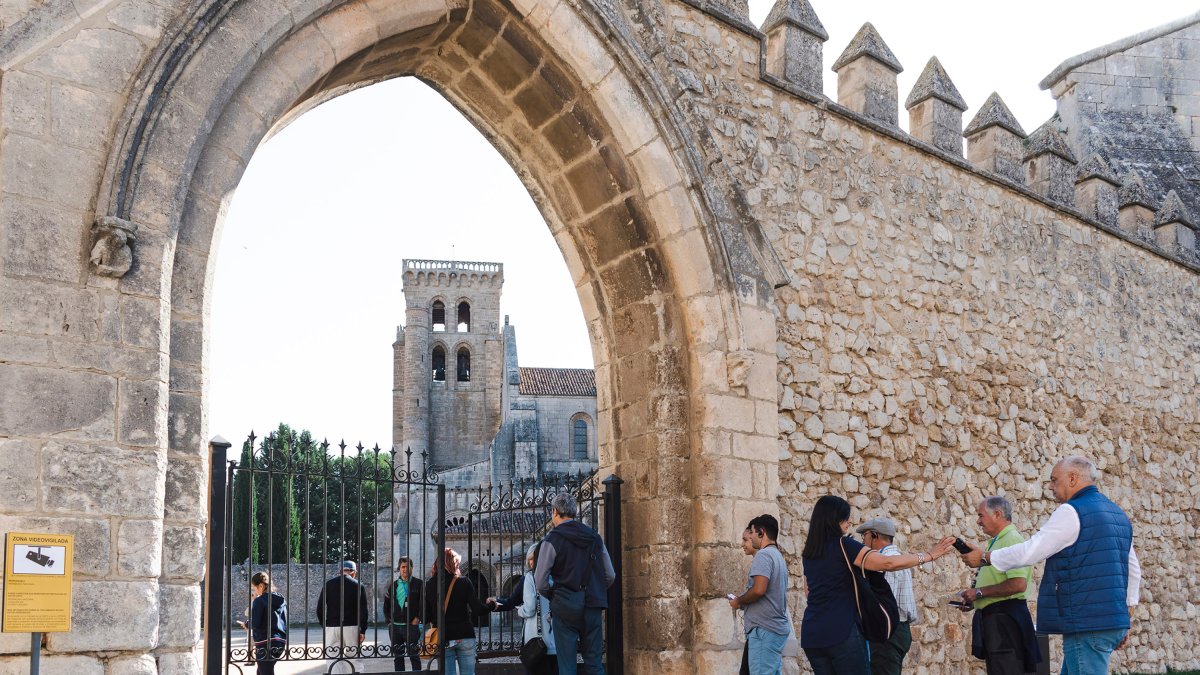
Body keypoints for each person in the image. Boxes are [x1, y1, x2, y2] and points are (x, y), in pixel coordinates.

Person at [962, 456, 1141, 675]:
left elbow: (1030, 551)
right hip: (1108, 621)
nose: (1050, 486)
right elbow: (1133, 570)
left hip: (1087, 622)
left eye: (1054, 480)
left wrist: (984, 558)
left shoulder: (1072, 511)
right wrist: (1125, 617)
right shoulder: (1118, 514)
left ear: (1073, 478)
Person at [800, 496, 956, 675]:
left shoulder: (810, 552)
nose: (849, 522)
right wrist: (928, 555)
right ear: (834, 518)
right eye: (846, 517)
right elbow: (887, 563)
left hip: (812, 634)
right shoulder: (844, 545)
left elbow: (808, 591)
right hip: (841, 632)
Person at [953, 496, 1039, 675]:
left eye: (981, 515)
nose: (978, 521)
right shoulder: (997, 541)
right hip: (998, 620)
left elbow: (1018, 584)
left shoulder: (1011, 540)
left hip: (1004, 621)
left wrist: (979, 592)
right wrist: (975, 599)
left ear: (998, 514)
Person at [535, 492, 616, 675]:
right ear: (574, 512)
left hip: (564, 605)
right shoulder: (595, 537)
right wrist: (596, 589)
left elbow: (540, 581)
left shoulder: (551, 540)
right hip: (593, 604)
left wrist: (553, 594)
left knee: (567, 667)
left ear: (555, 512)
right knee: (595, 664)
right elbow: (610, 575)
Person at [854, 517, 916, 675]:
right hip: (900, 630)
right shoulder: (899, 558)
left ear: (874, 535)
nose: (863, 540)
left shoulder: (886, 563)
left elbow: (884, 606)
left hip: (888, 632)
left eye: (865, 535)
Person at [728, 515, 789, 675]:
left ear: (761, 533)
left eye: (753, 533)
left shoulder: (764, 555)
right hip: (772, 629)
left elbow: (759, 590)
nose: (751, 537)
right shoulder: (777, 555)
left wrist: (739, 602)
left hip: (764, 629)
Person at [490, 542, 558, 675]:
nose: (532, 563)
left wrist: (520, 610)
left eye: (535, 559)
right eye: (530, 559)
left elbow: (529, 608)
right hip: (556, 639)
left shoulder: (529, 578)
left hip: (537, 640)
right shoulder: (555, 578)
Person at [424, 547, 493, 675]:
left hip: (444, 637)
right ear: (454, 563)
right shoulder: (464, 582)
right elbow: (477, 609)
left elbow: (425, 616)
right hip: (465, 635)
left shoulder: (430, 584)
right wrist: (492, 606)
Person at [316, 560, 369, 670]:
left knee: (333, 659)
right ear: (354, 572)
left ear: (341, 571)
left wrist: (325, 625)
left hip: (332, 627)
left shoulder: (329, 584)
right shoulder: (358, 585)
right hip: (351, 626)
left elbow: (319, 608)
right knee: (354, 659)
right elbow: (363, 610)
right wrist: (362, 630)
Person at [384, 556, 425, 672]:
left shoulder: (419, 584)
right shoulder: (394, 585)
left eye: (407, 566)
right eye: (402, 567)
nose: (405, 569)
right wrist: (389, 621)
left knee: (414, 657)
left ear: (412, 568)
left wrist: (418, 618)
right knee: (398, 658)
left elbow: (424, 604)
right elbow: (386, 604)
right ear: (399, 568)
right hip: (395, 627)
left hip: (411, 626)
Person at [243, 571, 287, 675]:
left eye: (254, 588)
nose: (254, 591)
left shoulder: (259, 601)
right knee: (262, 671)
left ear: (261, 586)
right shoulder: (281, 600)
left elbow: (256, 623)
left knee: (265, 672)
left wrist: (247, 624)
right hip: (279, 642)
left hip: (265, 644)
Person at [738, 526, 755, 675]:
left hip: (761, 631)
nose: (742, 544)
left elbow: (759, 591)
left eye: (745, 539)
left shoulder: (764, 558)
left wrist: (739, 601)